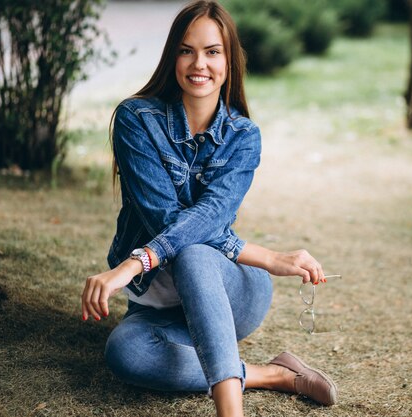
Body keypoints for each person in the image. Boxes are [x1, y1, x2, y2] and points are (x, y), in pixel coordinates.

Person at [80, 1, 338, 416]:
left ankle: (229, 411)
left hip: (234, 290)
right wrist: (270, 255)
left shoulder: (243, 137)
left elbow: (210, 218)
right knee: (126, 354)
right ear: (173, 57)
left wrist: (133, 263)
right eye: (187, 50)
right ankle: (273, 374)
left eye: (212, 51)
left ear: (229, 60)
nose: (199, 63)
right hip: (160, 306)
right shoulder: (136, 119)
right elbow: (169, 221)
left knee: (196, 254)